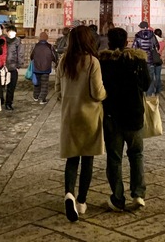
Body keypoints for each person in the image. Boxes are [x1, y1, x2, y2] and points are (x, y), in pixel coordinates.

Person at [55, 25, 106, 222]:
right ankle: (82, 200)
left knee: (72, 158)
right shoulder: (92, 61)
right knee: (88, 160)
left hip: (69, 115)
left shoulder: (63, 60)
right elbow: (97, 92)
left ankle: (69, 194)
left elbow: (58, 90)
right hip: (89, 116)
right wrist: (106, 94)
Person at [99, 26, 151, 211]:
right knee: (136, 155)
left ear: (109, 42)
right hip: (134, 114)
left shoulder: (104, 62)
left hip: (112, 115)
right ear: (127, 41)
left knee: (114, 157)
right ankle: (138, 194)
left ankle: (118, 198)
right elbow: (146, 84)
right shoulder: (138, 60)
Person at [133, 21, 161, 95]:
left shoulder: (137, 36)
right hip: (150, 60)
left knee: (141, 77)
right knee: (150, 78)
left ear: (140, 27)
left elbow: (134, 48)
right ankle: (149, 95)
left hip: (141, 60)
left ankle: (142, 94)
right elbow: (157, 46)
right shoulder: (152, 35)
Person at [31, 31, 57, 104]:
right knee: (44, 84)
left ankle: (36, 96)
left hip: (36, 67)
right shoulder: (50, 46)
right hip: (46, 68)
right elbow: (54, 56)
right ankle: (42, 99)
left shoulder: (35, 46)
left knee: (37, 83)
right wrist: (56, 63)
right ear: (46, 38)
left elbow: (31, 56)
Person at [3, 25, 22, 110]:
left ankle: (8, 103)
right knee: (1, 86)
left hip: (13, 67)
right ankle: (1, 101)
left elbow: (20, 53)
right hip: (2, 67)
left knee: (11, 87)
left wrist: (19, 65)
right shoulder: (2, 40)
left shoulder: (18, 41)